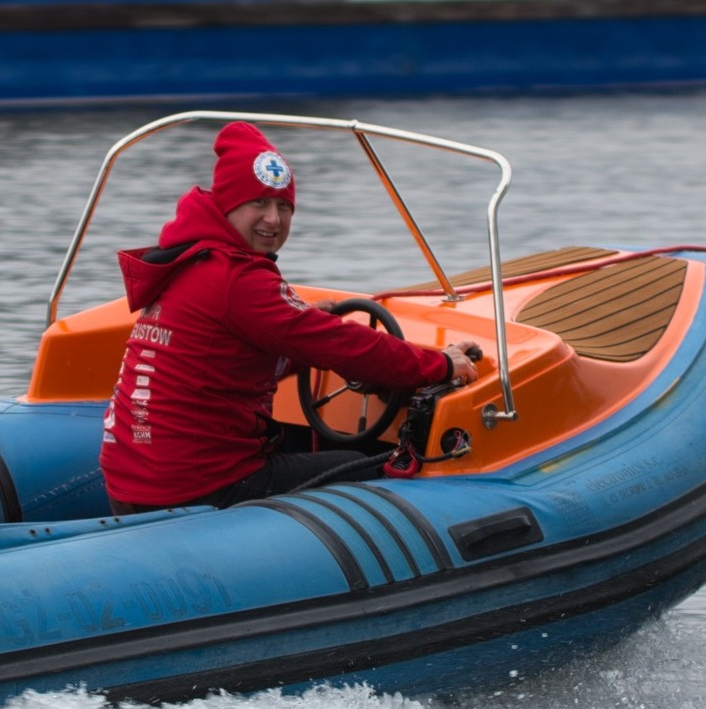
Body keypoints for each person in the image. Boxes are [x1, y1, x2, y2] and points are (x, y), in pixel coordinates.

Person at [100, 122, 480, 513]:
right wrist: (437, 364)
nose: (273, 219)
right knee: (374, 469)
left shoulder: (190, 261)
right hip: (198, 487)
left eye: (284, 206)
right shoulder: (234, 278)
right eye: (259, 203)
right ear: (227, 205)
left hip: (134, 484)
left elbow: (238, 352)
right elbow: (338, 343)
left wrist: (304, 332)